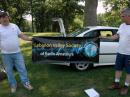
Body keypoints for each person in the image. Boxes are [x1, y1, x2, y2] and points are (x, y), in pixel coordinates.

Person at [0, 12, 33, 93]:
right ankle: (13, 84)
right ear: (0, 19)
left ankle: (26, 83)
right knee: (9, 71)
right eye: (2, 17)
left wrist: (30, 39)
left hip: (17, 53)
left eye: (6, 17)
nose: (4, 19)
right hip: (5, 54)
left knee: (22, 69)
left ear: (9, 18)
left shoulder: (14, 26)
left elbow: (21, 35)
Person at [100, 8, 130, 95]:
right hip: (120, 52)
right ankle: (116, 84)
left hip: (129, 54)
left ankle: (126, 86)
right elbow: (116, 36)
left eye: (123, 16)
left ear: (129, 16)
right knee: (118, 68)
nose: (121, 17)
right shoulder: (122, 25)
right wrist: (104, 37)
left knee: (129, 71)